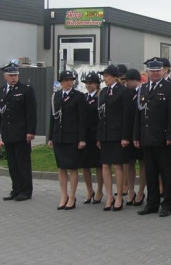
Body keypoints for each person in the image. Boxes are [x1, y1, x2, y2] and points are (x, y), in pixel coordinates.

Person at [133, 59, 171, 217]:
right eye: (152, 70)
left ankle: (168, 203)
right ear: (147, 72)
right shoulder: (143, 88)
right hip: (147, 137)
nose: (155, 73)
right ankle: (152, 203)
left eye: (158, 70)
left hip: (162, 137)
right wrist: (136, 135)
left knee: (166, 172)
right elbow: (138, 114)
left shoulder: (170, 88)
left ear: (163, 71)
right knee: (150, 172)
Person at [0, 62, 38, 201]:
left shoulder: (26, 90)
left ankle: (26, 191)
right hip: (8, 132)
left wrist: (31, 131)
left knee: (23, 163)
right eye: (11, 75)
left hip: (22, 133)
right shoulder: (0, 91)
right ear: (5, 76)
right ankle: (16, 189)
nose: (13, 78)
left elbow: (31, 113)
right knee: (12, 164)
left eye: (15, 75)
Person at [97, 65, 133, 211]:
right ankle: (109, 196)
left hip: (118, 135)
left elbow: (127, 115)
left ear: (114, 77)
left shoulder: (123, 91)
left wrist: (125, 136)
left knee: (118, 165)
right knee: (105, 165)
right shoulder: (103, 92)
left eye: (107, 76)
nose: (105, 79)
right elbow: (100, 115)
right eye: (104, 76)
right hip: (105, 134)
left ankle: (119, 197)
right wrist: (99, 137)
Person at [49, 70, 87, 210]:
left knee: (72, 167)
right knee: (62, 167)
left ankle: (72, 196)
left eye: (70, 80)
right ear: (61, 82)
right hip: (59, 136)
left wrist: (82, 139)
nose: (68, 83)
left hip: (72, 137)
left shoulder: (78, 96)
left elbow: (82, 119)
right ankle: (63, 195)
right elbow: (53, 117)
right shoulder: (56, 96)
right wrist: (50, 137)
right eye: (65, 80)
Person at [80, 71, 103, 205]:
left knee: (98, 164)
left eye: (91, 83)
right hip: (85, 135)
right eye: (87, 83)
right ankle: (89, 190)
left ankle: (99, 190)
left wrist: (100, 136)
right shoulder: (83, 97)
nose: (89, 85)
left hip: (96, 134)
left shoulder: (100, 97)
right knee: (85, 164)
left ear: (97, 84)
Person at [124, 68, 146, 205]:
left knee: (143, 163)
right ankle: (131, 190)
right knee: (130, 162)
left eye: (128, 81)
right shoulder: (127, 93)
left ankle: (141, 190)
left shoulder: (144, 91)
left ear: (135, 80)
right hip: (129, 132)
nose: (126, 83)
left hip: (141, 132)